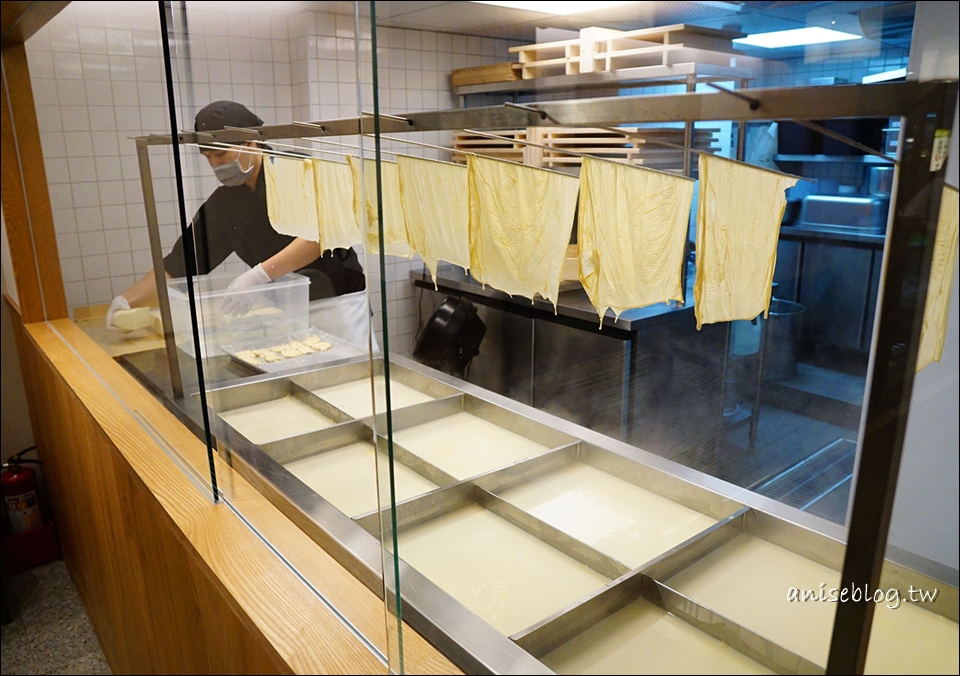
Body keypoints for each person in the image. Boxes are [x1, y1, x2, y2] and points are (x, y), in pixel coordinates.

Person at [107, 100, 375, 351]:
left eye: (221, 155)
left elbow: (320, 236)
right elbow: (180, 262)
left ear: (251, 143)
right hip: (287, 312)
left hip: (337, 305)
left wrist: (258, 276)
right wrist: (125, 301)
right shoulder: (226, 203)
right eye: (208, 158)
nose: (215, 165)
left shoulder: (297, 170)